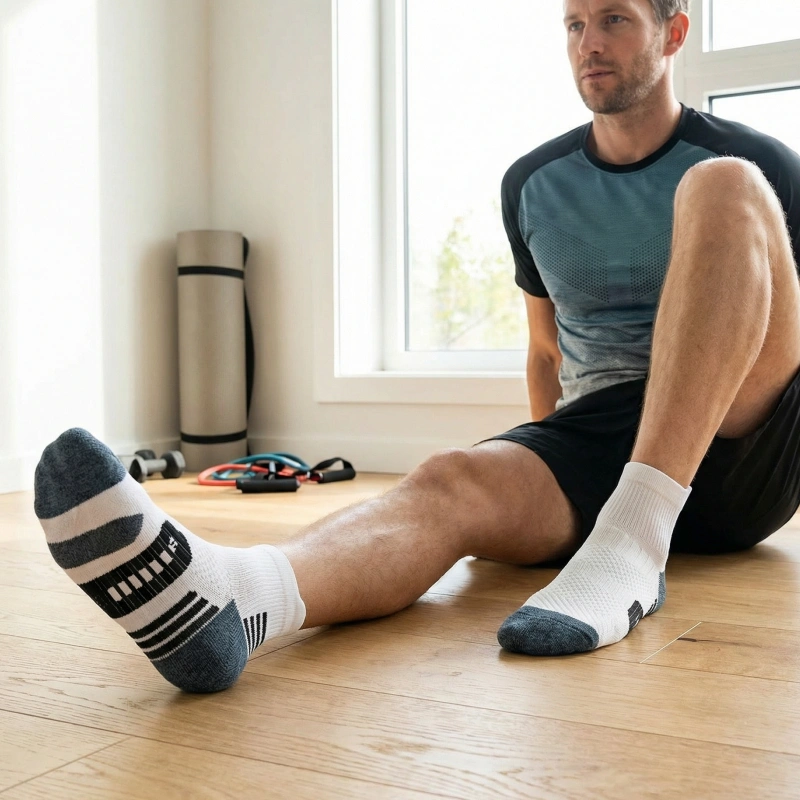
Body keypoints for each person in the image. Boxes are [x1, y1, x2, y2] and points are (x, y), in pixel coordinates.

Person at [33, 0, 800, 692]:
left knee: (722, 185)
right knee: (448, 478)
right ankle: (235, 601)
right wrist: (546, 481)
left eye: (615, 19)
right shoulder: (532, 183)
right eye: (573, 24)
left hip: (744, 437)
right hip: (598, 434)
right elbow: (546, 353)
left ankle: (635, 533)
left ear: (673, 32)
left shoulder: (763, 165)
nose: (588, 43)